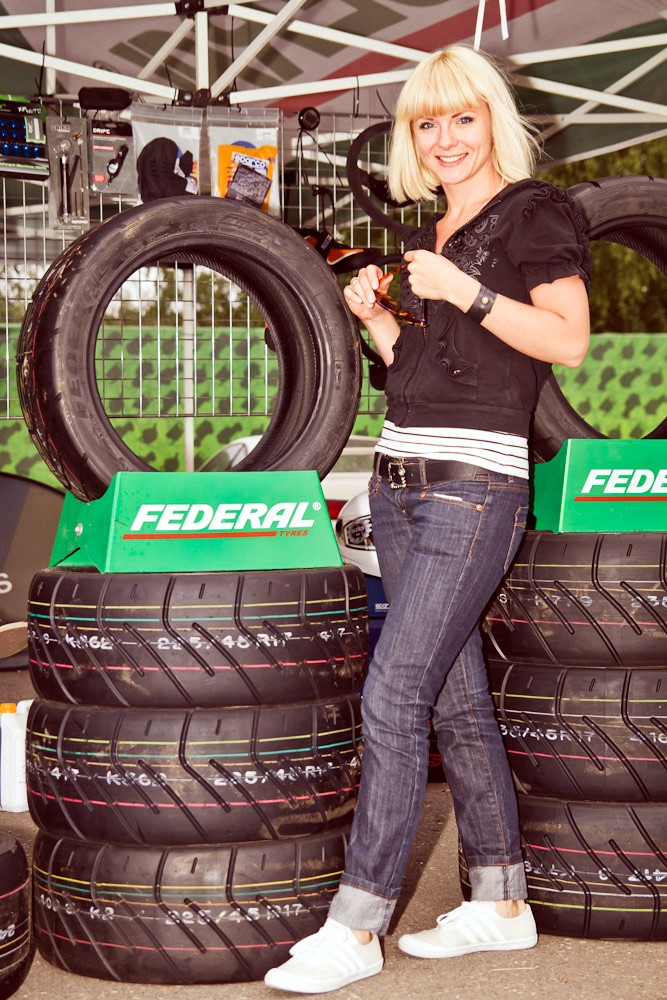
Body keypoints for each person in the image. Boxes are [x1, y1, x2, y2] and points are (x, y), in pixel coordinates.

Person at [264, 44, 591, 995]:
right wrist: (379, 321)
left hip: (473, 488)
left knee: (392, 696)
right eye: (426, 122)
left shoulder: (533, 212)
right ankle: (500, 902)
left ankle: (357, 925)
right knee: (450, 697)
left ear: (492, 121)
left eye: (462, 117)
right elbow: (426, 375)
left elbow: (567, 341)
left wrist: (467, 291)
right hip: (399, 483)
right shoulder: (433, 231)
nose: (445, 138)